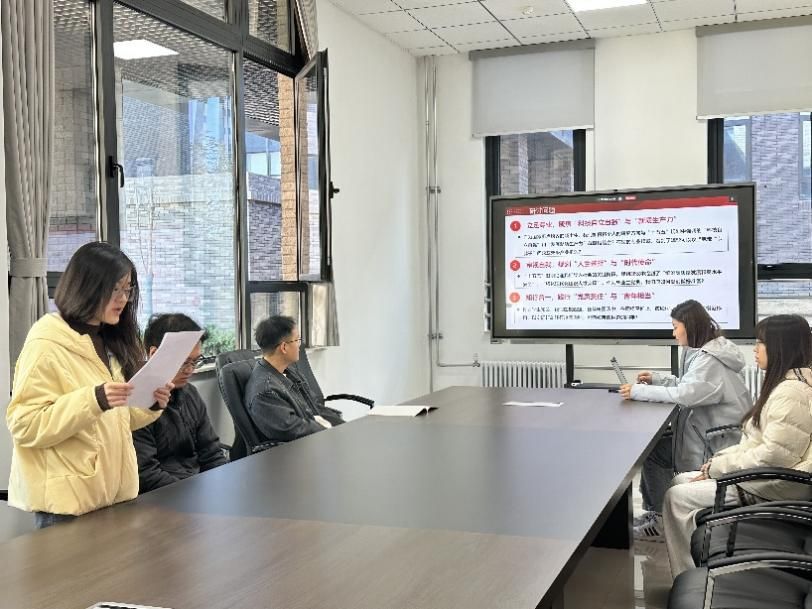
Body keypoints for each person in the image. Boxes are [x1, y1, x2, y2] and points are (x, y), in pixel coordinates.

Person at [5, 242, 172, 528]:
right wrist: (94, 399)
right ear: (87, 287)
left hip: (113, 496)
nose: (123, 299)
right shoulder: (46, 344)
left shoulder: (109, 340)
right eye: (115, 289)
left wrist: (151, 403)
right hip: (67, 505)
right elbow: (24, 424)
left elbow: (116, 417)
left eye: (127, 289)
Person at [662, 314, 812, 577]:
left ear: (780, 347)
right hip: (766, 477)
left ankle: (688, 578)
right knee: (679, 481)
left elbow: (773, 457)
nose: (755, 349)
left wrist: (719, 468)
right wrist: (716, 463)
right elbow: (758, 444)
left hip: (772, 486)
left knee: (676, 498)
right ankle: (695, 570)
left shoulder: (791, 392)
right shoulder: (788, 384)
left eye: (761, 342)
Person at [619, 299, 751, 541]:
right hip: (708, 433)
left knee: (656, 451)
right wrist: (658, 379)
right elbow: (692, 386)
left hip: (715, 443)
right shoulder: (708, 352)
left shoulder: (710, 359)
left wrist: (638, 391)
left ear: (689, 326)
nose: (673, 333)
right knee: (656, 450)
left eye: (675, 327)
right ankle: (657, 514)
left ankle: (661, 523)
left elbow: (686, 395)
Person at [133, 314, 228, 493]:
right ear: (154, 354)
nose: (190, 370)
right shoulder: (136, 406)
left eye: (195, 361)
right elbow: (146, 474)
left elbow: (212, 452)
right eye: (183, 362)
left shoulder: (190, 394)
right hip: (161, 497)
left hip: (197, 489)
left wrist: (221, 485)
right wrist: (192, 495)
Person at [244, 315, 344, 444]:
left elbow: (314, 407)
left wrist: (344, 427)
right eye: (297, 340)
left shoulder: (289, 372)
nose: (299, 345)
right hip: (301, 450)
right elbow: (296, 430)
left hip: (319, 439)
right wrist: (332, 432)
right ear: (284, 347)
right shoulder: (265, 392)